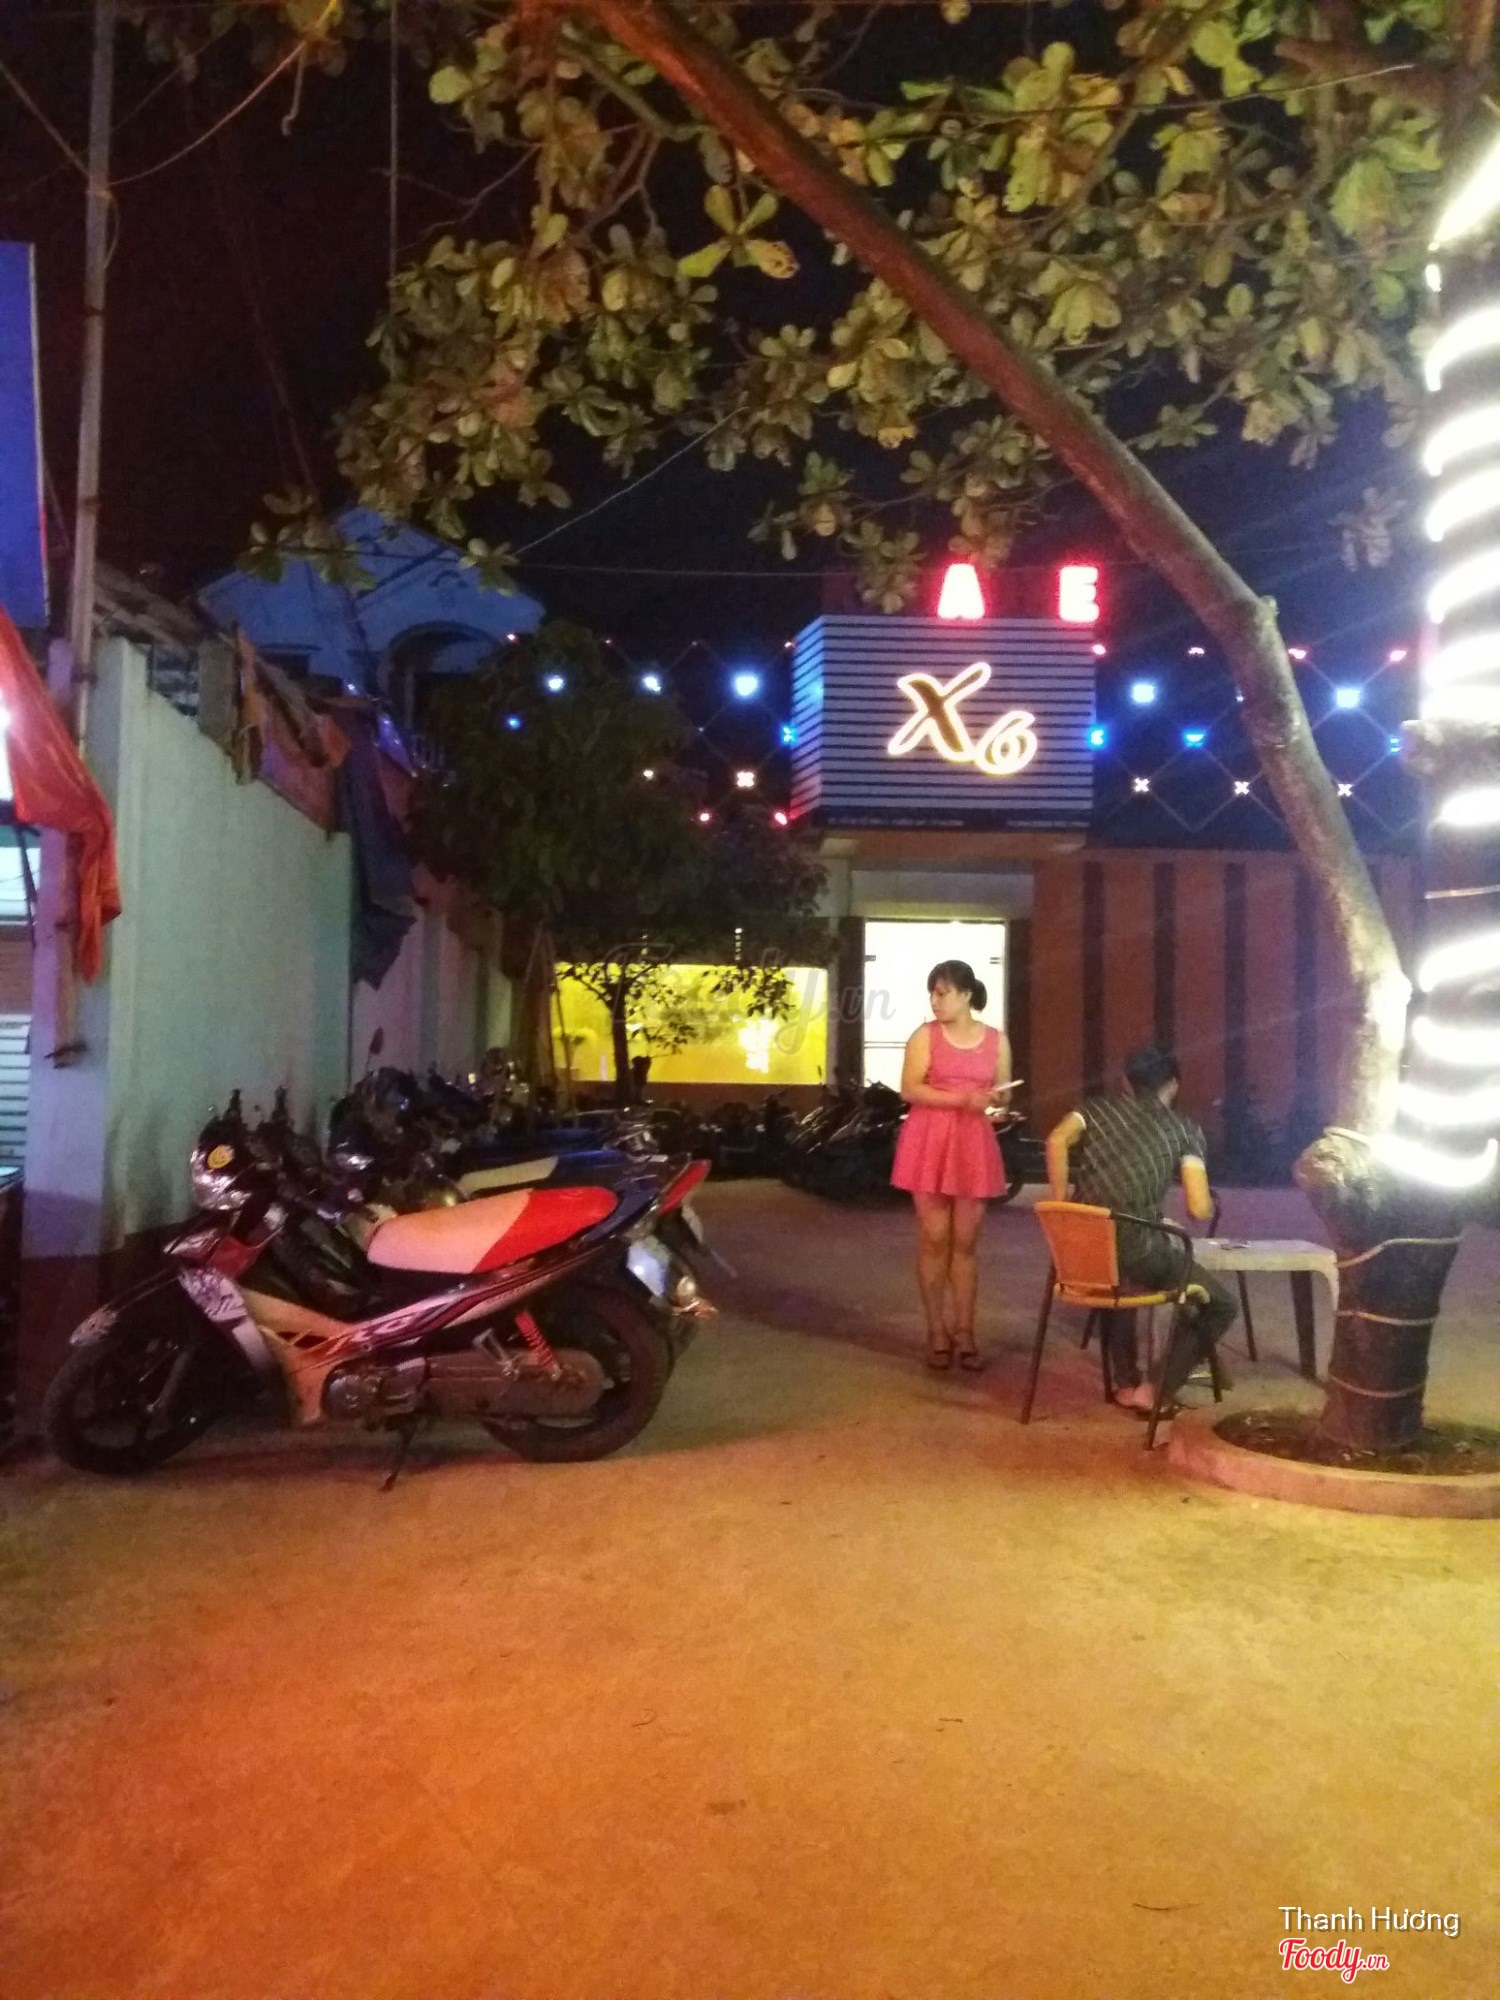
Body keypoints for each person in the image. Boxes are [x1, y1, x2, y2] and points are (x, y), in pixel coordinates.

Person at [1045, 1046, 1237, 1417]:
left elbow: (1056, 1140)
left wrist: (1061, 1204)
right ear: (1173, 1085)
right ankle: (1156, 1388)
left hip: (1080, 1251)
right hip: (1137, 1248)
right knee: (1221, 1304)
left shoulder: (1093, 1110)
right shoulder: (1184, 1129)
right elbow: (1199, 1208)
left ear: (1126, 1082)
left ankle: (1125, 1383)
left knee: (1117, 1267)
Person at [891, 959, 1014, 1372]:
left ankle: (965, 1332)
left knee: (965, 1243)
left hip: (973, 1143)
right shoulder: (924, 1036)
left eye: (942, 993)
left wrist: (996, 1099)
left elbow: (1004, 1092)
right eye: (932, 993)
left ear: (965, 995)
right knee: (934, 1239)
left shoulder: (996, 1040)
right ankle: (936, 1331)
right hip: (928, 1140)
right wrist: (964, 1099)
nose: (935, 1000)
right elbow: (910, 1089)